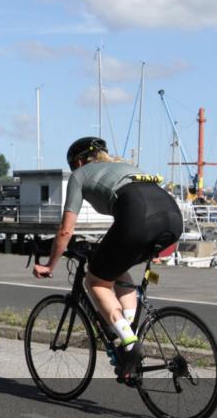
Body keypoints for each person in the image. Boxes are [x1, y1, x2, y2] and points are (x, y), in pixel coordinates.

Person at [33, 137, 182, 377]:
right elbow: (128, 213)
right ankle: (129, 332)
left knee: (95, 281)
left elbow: (66, 230)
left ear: (78, 162)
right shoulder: (126, 167)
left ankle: (130, 344)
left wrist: (50, 265)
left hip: (138, 218)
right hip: (173, 218)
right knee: (116, 269)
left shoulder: (80, 175)